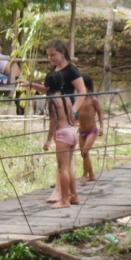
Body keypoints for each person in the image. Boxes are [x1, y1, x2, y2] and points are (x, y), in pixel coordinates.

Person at [18, 39, 86, 201]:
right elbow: (49, 90)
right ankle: (68, 192)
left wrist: (73, 111)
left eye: (53, 55)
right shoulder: (54, 70)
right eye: (48, 55)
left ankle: (60, 192)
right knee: (65, 160)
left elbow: (82, 91)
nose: (50, 58)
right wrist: (31, 85)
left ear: (62, 53)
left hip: (65, 117)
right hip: (60, 113)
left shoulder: (72, 70)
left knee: (63, 160)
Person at [42, 72, 78, 209]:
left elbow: (54, 121)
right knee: (68, 167)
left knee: (62, 168)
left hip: (62, 134)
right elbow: (72, 117)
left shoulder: (52, 100)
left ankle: (64, 200)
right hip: (71, 131)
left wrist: (48, 139)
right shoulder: (66, 98)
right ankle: (74, 195)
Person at [78, 74, 104, 183]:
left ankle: (84, 175)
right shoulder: (78, 99)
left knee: (85, 152)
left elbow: (100, 113)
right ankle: (92, 174)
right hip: (81, 131)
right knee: (83, 153)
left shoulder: (93, 100)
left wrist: (101, 127)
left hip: (91, 131)